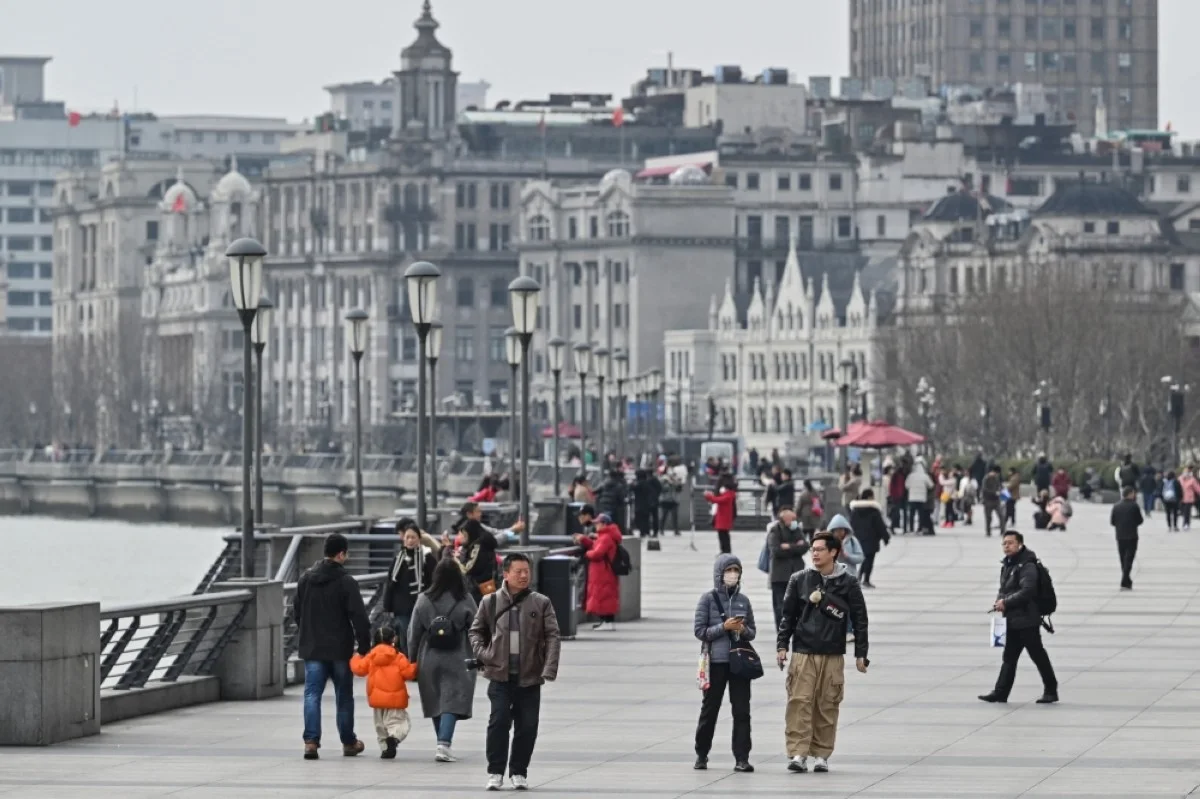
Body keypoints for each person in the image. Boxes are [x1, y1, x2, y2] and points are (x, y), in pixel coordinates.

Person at [776, 532, 869, 774]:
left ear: (833, 552)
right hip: (803, 652)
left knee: (827, 704)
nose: (814, 553)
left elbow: (860, 619)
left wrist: (861, 653)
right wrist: (782, 646)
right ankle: (798, 752)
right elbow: (788, 616)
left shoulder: (848, 582)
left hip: (833, 653)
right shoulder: (799, 579)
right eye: (812, 549)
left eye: (819, 549)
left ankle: (821, 754)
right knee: (799, 702)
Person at [469, 553, 561, 791]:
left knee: (528, 726)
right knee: (498, 722)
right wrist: (485, 654)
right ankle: (495, 771)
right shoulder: (490, 602)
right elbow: (475, 632)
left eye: (526, 571)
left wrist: (549, 667)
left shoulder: (541, 602)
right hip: (500, 676)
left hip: (530, 676)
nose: (523, 576)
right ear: (506, 574)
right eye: (518, 571)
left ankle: (519, 771)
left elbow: (553, 635)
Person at [298, 532, 372, 760]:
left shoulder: (306, 579)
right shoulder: (346, 582)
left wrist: (309, 632)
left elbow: (297, 613)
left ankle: (311, 742)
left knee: (312, 694)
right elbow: (358, 616)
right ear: (341, 554)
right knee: (344, 695)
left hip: (313, 648)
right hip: (340, 648)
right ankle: (349, 742)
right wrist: (363, 646)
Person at [409, 558, 479, 763]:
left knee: (435, 699)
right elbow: (477, 627)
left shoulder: (424, 598)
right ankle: (444, 743)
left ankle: (442, 741)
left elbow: (413, 631)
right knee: (452, 700)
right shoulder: (465, 598)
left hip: (429, 657)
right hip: (458, 657)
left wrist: (412, 658)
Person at [693, 554, 757, 773]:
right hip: (716, 662)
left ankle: (742, 758)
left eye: (736, 571)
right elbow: (700, 631)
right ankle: (701, 754)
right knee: (710, 709)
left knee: (742, 711)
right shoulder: (708, 599)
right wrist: (724, 627)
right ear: (719, 574)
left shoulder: (744, 601)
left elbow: (752, 633)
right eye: (729, 570)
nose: (733, 575)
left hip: (739, 662)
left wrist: (742, 629)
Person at [979, 531, 1058, 704]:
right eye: (1004, 543)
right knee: (1009, 657)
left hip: (1027, 619)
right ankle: (1001, 692)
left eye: (1011, 543)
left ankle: (1051, 690)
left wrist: (1005, 602)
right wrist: (999, 600)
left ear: (1020, 544)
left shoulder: (1027, 566)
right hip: (1013, 618)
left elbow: (1028, 591)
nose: (1007, 546)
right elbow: (1005, 588)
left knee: (1037, 655)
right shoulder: (1008, 564)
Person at [351, 625, 418, 759]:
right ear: (394, 639)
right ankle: (394, 738)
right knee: (399, 723)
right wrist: (416, 664)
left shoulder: (371, 656)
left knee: (380, 726)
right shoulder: (398, 657)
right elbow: (409, 673)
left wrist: (356, 657)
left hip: (377, 699)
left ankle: (385, 749)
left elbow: (359, 669)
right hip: (395, 698)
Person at [381, 523, 439, 655]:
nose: (410, 540)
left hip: (422, 607)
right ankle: (409, 667)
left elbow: (435, 582)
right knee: (406, 639)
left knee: (421, 639)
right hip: (402, 608)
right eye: (407, 537)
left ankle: (420, 667)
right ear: (403, 539)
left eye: (413, 537)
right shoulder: (398, 559)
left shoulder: (428, 558)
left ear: (419, 539)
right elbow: (390, 584)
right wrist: (387, 607)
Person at [574, 507, 623, 631]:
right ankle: (606, 622)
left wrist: (587, 554)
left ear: (604, 524)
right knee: (605, 596)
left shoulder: (606, 537)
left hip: (603, 571)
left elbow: (597, 553)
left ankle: (607, 622)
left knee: (604, 596)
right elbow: (595, 545)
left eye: (597, 523)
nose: (596, 525)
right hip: (603, 571)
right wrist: (585, 539)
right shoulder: (605, 536)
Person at [766, 506, 810, 629]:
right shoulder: (775, 531)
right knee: (780, 605)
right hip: (779, 575)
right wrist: (795, 547)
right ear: (785, 520)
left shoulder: (797, 530)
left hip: (796, 573)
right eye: (793, 519)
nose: (796, 521)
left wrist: (788, 547)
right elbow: (776, 551)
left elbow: (805, 546)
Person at [849, 489, 889, 588]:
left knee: (864, 559)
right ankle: (866, 579)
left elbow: (851, 525)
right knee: (869, 560)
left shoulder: (855, 510)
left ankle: (859, 577)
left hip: (859, 539)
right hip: (872, 539)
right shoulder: (874, 511)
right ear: (869, 497)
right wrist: (885, 537)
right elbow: (880, 526)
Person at [1111, 486, 1144, 590]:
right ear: (1130, 494)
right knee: (1129, 559)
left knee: (1123, 558)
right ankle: (1125, 581)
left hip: (1120, 536)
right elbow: (1140, 520)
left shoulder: (1116, 506)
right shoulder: (1134, 506)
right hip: (1132, 536)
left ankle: (1127, 580)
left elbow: (1112, 521)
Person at [705, 474, 738, 554]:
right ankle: (724, 550)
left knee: (724, 536)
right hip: (723, 519)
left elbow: (718, 500)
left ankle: (726, 550)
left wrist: (708, 496)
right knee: (722, 535)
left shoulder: (728, 494)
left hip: (724, 519)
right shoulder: (729, 494)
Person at [906, 458, 934, 534]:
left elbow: (906, 486)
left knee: (912, 514)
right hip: (922, 498)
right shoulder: (925, 476)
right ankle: (920, 528)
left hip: (912, 497)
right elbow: (931, 485)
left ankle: (911, 528)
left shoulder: (910, 476)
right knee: (920, 514)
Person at [631, 469, 662, 538]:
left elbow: (633, 488)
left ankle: (644, 531)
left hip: (644, 503)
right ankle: (649, 531)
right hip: (650, 502)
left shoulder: (642, 483)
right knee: (648, 518)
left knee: (642, 518)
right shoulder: (650, 481)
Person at [980, 465, 1005, 537]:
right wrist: (994, 492)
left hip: (996, 500)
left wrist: (1001, 492)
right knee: (988, 517)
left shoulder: (996, 478)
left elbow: (999, 486)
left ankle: (1003, 531)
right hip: (988, 500)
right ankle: (988, 531)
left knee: (1001, 516)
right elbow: (984, 489)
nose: (997, 475)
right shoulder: (986, 478)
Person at [1181, 465, 1200, 530]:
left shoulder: (1192, 480)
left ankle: (1186, 524)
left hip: (1189, 498)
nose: (1187, 474)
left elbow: (1197, 488)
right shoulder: (1181, 479)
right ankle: (1185, 523)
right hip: (1181, 498)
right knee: (1184, 512)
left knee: (1187, 511)